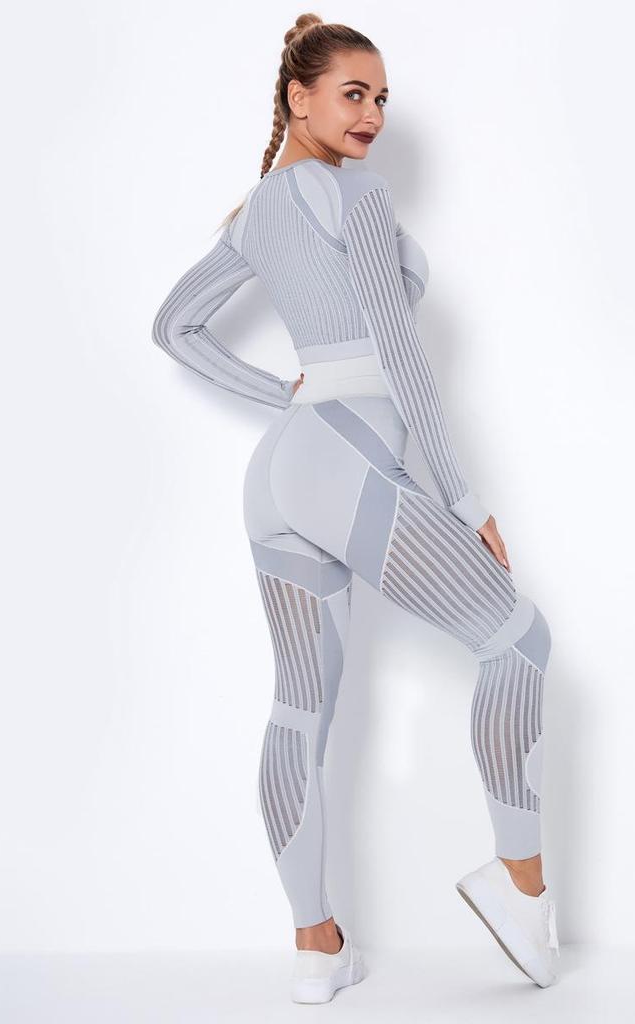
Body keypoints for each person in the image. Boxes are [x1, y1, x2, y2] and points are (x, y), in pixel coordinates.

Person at [151, 13, 560, 1003]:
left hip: (284, 473)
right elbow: (404, 357)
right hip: (345, 457)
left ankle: (316, 946)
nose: (371, 113)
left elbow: (175, 327)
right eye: (352, 94)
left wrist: (281, 399)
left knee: (300, 707)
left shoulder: (257, 210)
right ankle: (521, 889)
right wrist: (463, 498)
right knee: (518, 640)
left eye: (380, 98)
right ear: (298, 97)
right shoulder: (354, 194)